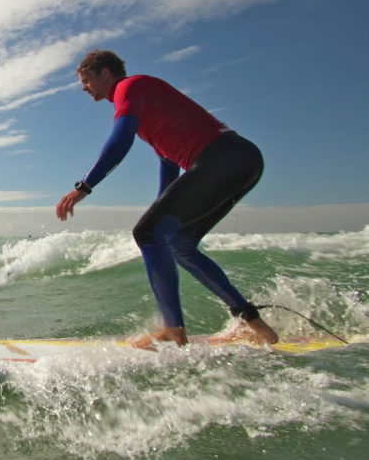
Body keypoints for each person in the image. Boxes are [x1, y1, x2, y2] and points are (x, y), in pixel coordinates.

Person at [55, 49, 278, 348]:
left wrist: (84, 186)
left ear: (105, 74)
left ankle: (173, 330)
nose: (84, 87)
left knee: (147, 233)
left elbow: (121, 139)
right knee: (177, 243)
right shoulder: (145, 101)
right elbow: (168, 162)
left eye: (86, 80)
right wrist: (161, 205)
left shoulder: (128, 87)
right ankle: (252, 322)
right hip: (243, 160)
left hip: (221, 158)